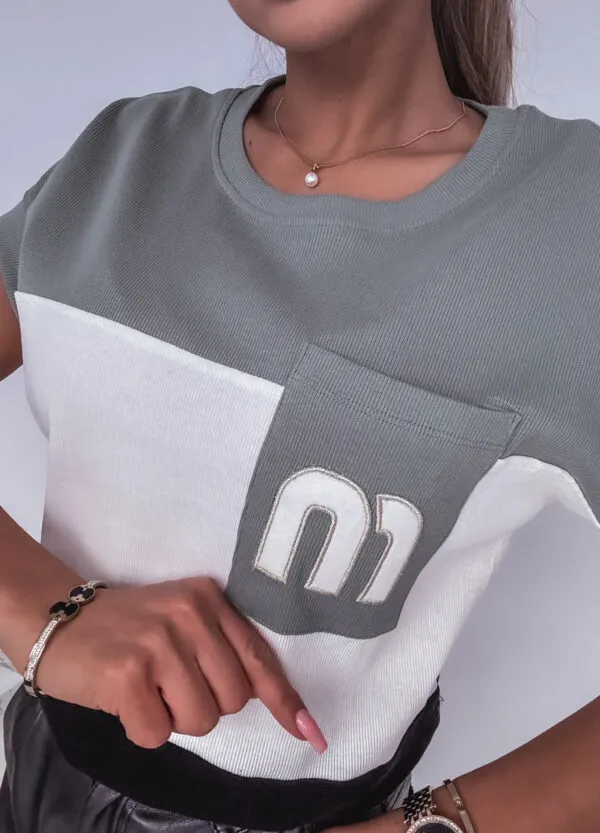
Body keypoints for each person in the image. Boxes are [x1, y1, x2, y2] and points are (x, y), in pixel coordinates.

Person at [1, 0, 600, 831]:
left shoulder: (570, 227)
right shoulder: (124, 155)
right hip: (35, 769)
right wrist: (43, 616)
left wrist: (443, 824)